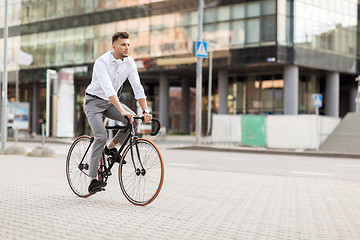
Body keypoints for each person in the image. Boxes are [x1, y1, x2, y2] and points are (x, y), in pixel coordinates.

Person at [83, 31, 152, 193]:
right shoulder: (102, 62)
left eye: (128, 44)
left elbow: (138, 88)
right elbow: (108, 89)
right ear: (114, 46)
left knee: (132, 121)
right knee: (100, 136)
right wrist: (122, 110)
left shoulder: (130, 63)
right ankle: (93, 179)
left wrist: (145, 110)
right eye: (123, 45)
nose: (127, 47)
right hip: (93, 101)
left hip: (110, 103)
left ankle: (110, 147)